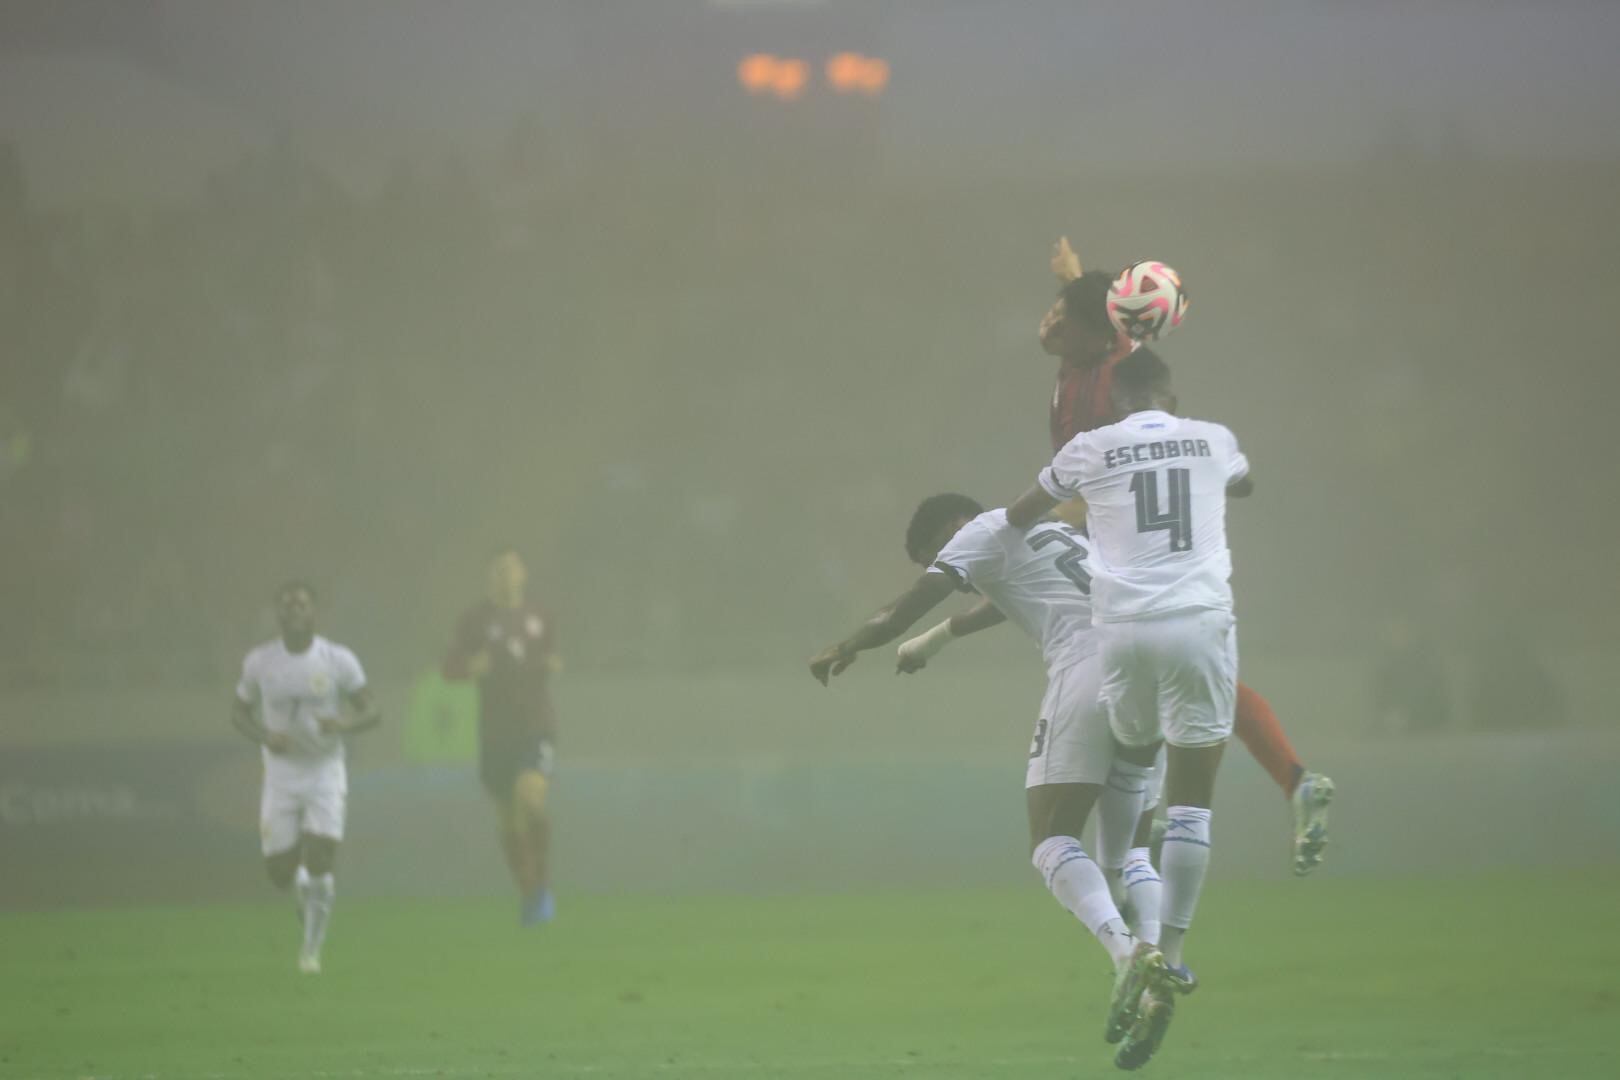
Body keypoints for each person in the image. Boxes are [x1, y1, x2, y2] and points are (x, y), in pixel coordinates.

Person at [809, 493, 1163, 1071]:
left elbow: (904, 608)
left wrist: (848, 645)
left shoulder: (978, 531)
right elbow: (1008, 598)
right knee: (1129, 849)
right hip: (1150, 658)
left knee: (1052, 839)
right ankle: (1155, 963)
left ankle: (1127, 955)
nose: (952, 572)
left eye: (934, 554)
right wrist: (940, 640)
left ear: (949, 528)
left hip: (1087, 664)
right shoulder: (1049, 529)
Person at [1043, 241, 1333, 877]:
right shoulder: (1084, 358)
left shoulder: (1106, 384)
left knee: (1134, 695)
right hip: (1144, 559)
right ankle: (1289, 780)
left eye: (1061, 313)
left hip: (1126, 559)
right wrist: (1073, 279)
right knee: (1197, 680)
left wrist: (1033, 525)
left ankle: (1130, 864)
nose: (1048, 321)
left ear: (1097, 332)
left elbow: (1100, 485)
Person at [1002, 347, 1251, 1068]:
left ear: (1110, 399)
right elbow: (1246, 481)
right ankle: (1167, 953)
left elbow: (1021, 515)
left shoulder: (1091, 446)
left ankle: (1130, 946)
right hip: (1200, 624)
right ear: (1169, 393)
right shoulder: (1212, 437)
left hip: (1124, 638)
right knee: (1191, 804)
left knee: (1128, 801)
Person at [231, 581, 381, 974]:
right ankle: (301, 885)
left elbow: (373, 711)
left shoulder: (338, 659)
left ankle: (311, 951)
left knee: (321, 858)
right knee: (280, 873)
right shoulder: (260, 661)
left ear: (315, 612)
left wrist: (344, 722)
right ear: (278, 614)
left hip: (324, 771)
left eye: (301, 604)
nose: (294, 611)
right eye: (286, 605)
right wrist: (265, 735)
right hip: (281, 774)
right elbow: (238, 713)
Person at [443, 549, 560, 925]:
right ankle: (528, 891)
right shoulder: (473, 621)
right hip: (496, 734)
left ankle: (541, 884)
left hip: (536, 726)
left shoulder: (540, 616)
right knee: (509, 819)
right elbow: (449, 668)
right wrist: (468, 667)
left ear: (523, 573)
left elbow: (551, 656)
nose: (504, 575)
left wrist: (553, 664)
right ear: (488, 577)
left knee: (532, 796)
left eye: (510, 568)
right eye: (496, 570)